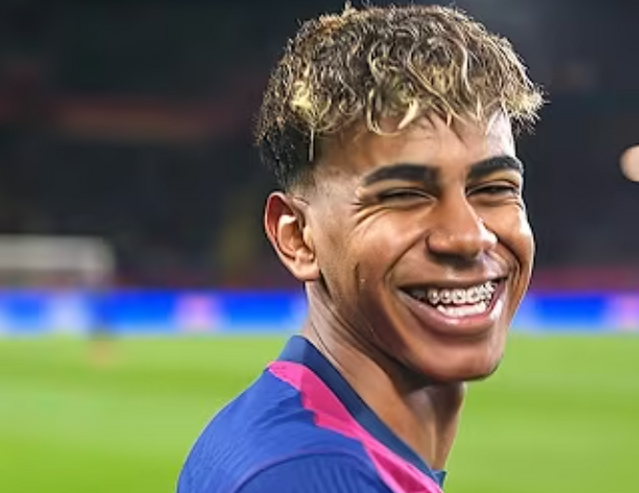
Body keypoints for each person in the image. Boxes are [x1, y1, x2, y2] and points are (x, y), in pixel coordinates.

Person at [178, 4, 544, 492]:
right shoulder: (307, 478)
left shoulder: (291, 437)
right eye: (404, 195)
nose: (468, 236)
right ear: (297, 236)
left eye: (495, 188)